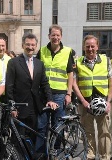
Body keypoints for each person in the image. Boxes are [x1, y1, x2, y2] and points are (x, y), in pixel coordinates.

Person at [6, 33, 58, 158]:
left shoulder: (39, 64)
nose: (30, 47)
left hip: (34, 108)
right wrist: (12, 106)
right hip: (19, 108)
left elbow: (45, 84)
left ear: (36, 46)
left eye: (33, 45)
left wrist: (50, 99)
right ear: (23, 45)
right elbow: (9, 86)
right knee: (17, 140)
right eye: (28, 44)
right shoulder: (13, 62)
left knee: (32, 139)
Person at [72, 35, 112, 160]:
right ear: (84, 47)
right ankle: (90, 155)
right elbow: (74, 84)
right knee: (87, 132)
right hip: (85, 103)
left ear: (97, 47)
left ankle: (104, 157)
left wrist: (109, 102)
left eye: (92, 46)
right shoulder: (78, 62)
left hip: (103, 103)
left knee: (105, 133)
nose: (90, 49)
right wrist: (83, 101)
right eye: (87, 46)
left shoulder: (106, 61)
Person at [35, 24, 75, 153]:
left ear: (61, 36)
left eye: (58, 35)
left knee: (58, 125)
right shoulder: (42, 51)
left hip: (60, 94)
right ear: (49, 36)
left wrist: (69, 93)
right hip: (44, 94)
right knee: (41, 125)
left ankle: (56, 151)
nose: (55, 37)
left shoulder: (68, 51)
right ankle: (41, 153)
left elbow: (70, 74)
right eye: (53, 35)